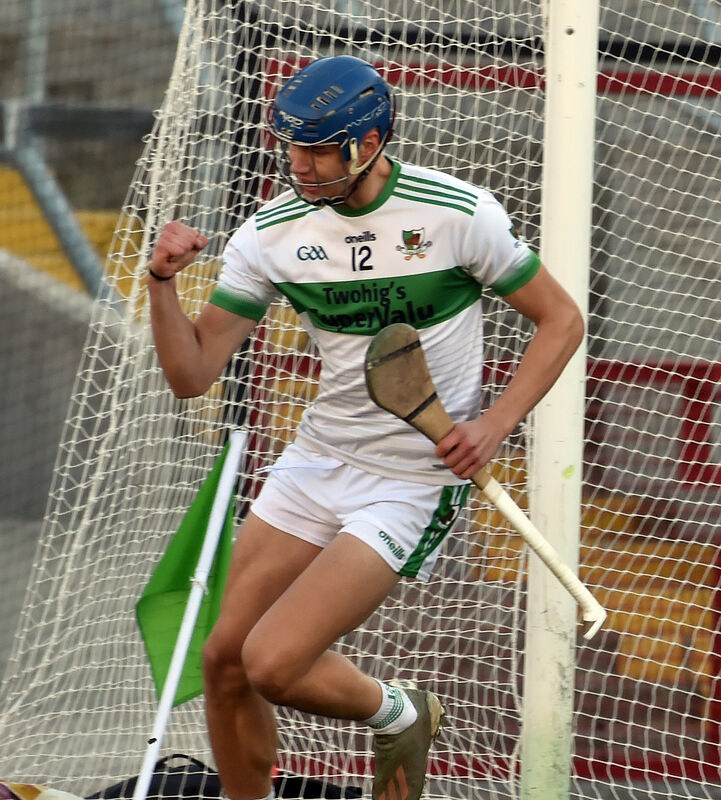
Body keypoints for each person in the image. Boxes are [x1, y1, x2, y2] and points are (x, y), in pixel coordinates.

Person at [147, 55, 584, 800]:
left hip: (411, 481)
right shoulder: (271, 233)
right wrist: (162, 282)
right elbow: (192, 375)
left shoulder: (456, 214)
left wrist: (495, 424)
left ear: (371, 141)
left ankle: (400, 713)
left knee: (272, 663)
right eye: (291, 147)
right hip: (317, 460)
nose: (300, 165)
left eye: (319, 150)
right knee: (222, 660)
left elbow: (561, 320)